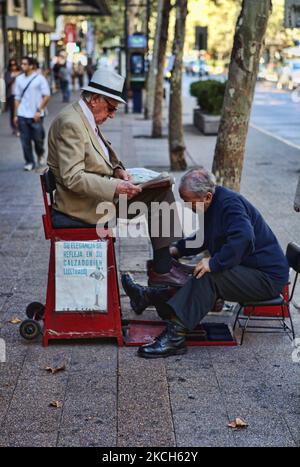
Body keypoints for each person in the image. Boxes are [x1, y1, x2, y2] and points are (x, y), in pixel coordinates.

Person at [122, 167, 289, 358]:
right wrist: (177, 250)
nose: (187, 206)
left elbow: (243, 237)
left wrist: (214, 263)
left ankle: (175, 338)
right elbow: (204, 238)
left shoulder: (229, 205)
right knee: (198, 272)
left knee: (208, 275)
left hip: (266, 278)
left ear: (207, 196)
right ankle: (148, 296)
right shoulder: (212, 204)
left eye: (188, 201)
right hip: (249, 269)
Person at [47, 67, 185, 288]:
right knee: (160, 196)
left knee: (162, 189)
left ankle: (165, 265)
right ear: (94, 99)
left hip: (97, 196)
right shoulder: (71, 123)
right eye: (110, 108)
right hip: (82, 205)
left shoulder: (85, 117)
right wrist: (116, 185)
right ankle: (163, 268)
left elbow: (97, 156)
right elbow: (72, 177)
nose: (112, 115)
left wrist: (118, 170)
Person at [14, 56, 51, 171]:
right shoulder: (19, 79)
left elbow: (47, 96)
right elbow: (17, 98)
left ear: (31, 66)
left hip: (36, 115)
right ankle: (29, 161)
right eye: (22, 64)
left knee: (38, 139)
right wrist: (16, 114)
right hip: (22, 115)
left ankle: (40, 153)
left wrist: (39, 111)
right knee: (25, 140)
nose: (22, 66)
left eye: (25, 64)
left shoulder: (39, 79)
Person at [5, 58, 20, 136]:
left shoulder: (21, 73)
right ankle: (14, 127)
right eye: (11, 65)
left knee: (19, 111)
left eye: (14, 65)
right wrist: (14, 77)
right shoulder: (8, 73)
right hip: (12, 95)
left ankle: (19, 127)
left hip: (20, 96)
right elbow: (7, 82)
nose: (13, 67)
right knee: (13, 112)